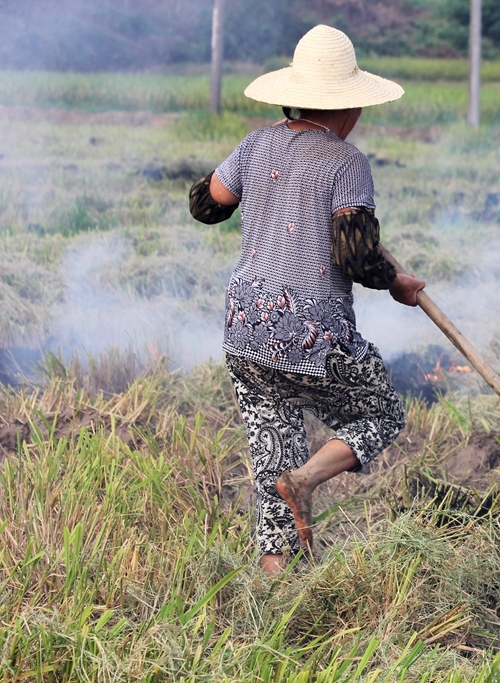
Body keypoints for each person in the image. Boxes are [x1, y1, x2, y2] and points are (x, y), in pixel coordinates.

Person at [188, 25, 425, 574]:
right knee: (382, 414)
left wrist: (261, 172)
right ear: (349, 107)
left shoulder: (254, 145)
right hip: (308, 332)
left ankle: (276, 586)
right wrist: (399, 285)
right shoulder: (347, 163)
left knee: (273, 443)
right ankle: (306, 480)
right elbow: (358, 259)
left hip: (245, 329)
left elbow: (206, 204)